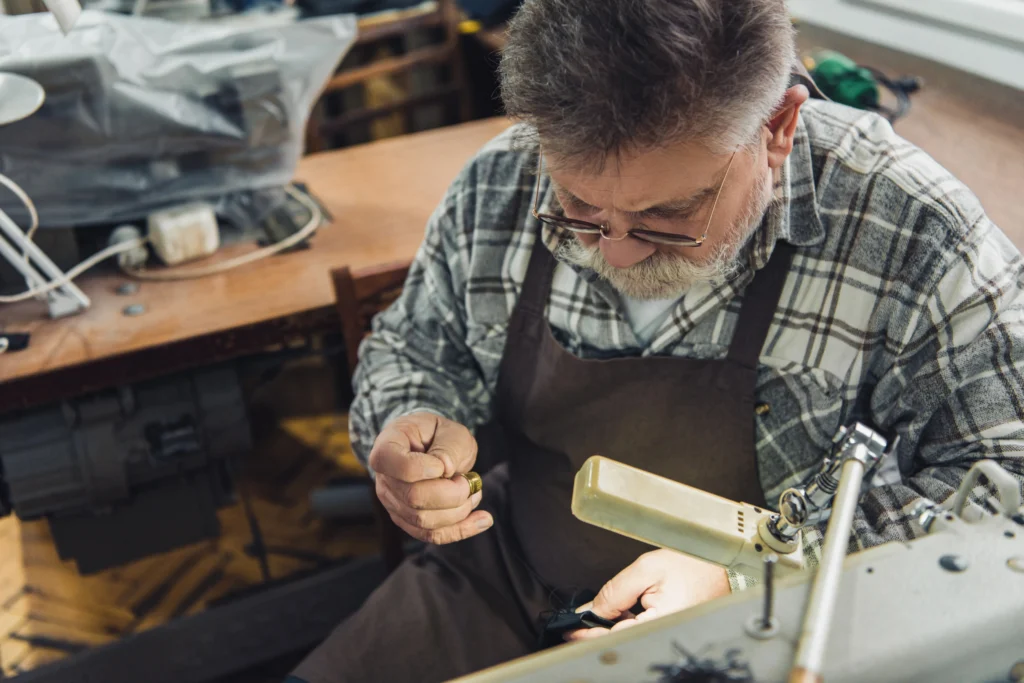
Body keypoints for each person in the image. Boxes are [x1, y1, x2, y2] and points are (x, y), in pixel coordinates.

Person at [290, 1, 1024, 681]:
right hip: (508, 574)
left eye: (668, 214)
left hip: (781, 614)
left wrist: (751, 574)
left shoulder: (910, 228)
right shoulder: (501, 182)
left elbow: (1009, 485)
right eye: (578, 206)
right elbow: (416, 345)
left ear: (778, 128)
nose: (616, 253)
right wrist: (407, 421)